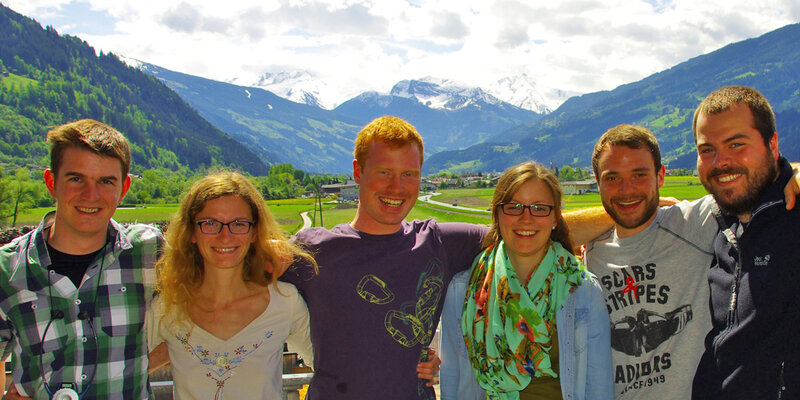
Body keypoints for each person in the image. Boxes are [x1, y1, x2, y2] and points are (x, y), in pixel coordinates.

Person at [281, 116, 487, 399]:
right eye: (384, 172)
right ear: (357, 171)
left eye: (408, 174)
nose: (396, 187)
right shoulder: (314, 251)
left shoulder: (438, 243)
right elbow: (238, 259)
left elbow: (526, 230)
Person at [0, 119, 162, 399]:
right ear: (51, 182)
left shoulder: (148, 251)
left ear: (123, 188)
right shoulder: (8, 271)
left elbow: (216, 288)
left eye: (106, 181)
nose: (91, 195)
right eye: (76, 178)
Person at [442, 161, 614, 400]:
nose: (526, 218)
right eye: (514, 207)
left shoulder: (582, 289)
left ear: (555, 218)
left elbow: (599, 386)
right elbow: (452, 380)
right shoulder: (463, 290)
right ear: (497, 214)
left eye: (539, 208)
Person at [146, 171, 316, 399]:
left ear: (255, 232)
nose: (225, 236)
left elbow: (332, 367)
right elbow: (125, 371)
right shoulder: (168, 305)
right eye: (210, 223)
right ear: (192, 233)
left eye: (238, 224)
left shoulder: (284, 301)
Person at [582, 124, 718, 400]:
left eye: (639, 175)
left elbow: (759, 185)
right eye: (612, 178)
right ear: (597, 183)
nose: (626, 190)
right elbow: (534, 229)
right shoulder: (592, 255)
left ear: (661, 175)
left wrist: (789, 177)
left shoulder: (694, 224)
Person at [690, 86, 800, 399]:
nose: (721, 162)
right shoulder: (722, 228)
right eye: (707, 149)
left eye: (736, 144)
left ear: (773, 144)